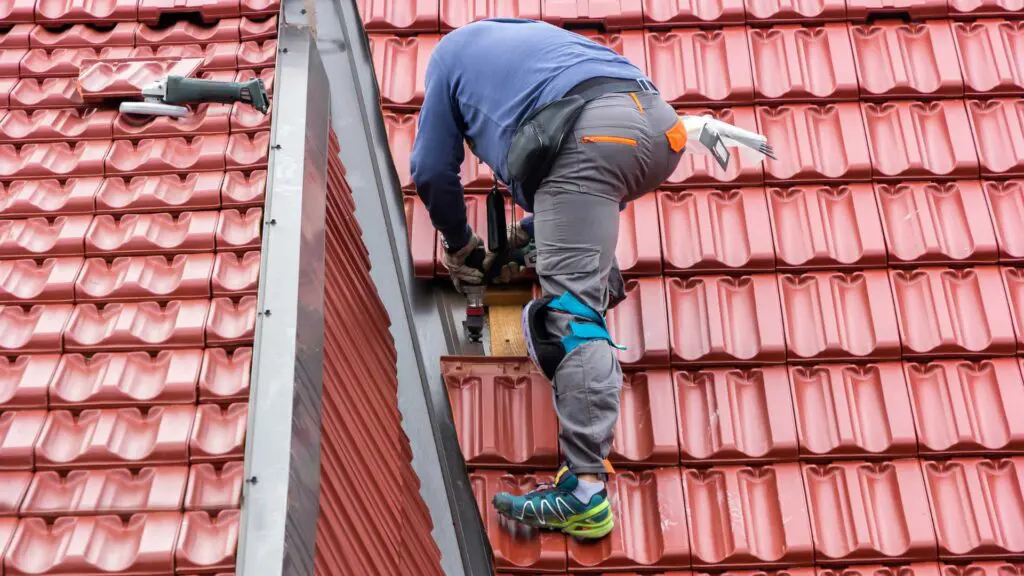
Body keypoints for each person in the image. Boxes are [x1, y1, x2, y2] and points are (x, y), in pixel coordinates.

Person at [409, 18, 686, 539]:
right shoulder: (525, 41)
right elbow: (580, 181)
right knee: (580, 210)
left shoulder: (447, 57)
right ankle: (593, 275)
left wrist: (461, 244)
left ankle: (584, 494)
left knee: (571, 314)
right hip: (657, 125)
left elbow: (429, 169)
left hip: (592, 135)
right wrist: (527, 237)